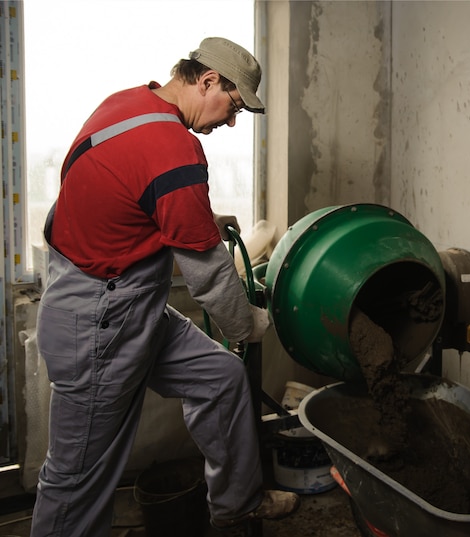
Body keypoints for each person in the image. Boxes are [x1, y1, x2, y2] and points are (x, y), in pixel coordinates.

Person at [30, 37, 300, 537]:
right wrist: (251, 324)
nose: (231, 120)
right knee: (78, 478)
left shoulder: (129, 103)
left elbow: (129, 194)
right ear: (208, 81)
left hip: (127, 302)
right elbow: (212, 279)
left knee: (220, 378)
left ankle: (236, 504)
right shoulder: (175, 150)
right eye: (234, 105)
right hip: (99, 321)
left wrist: (203, 219)